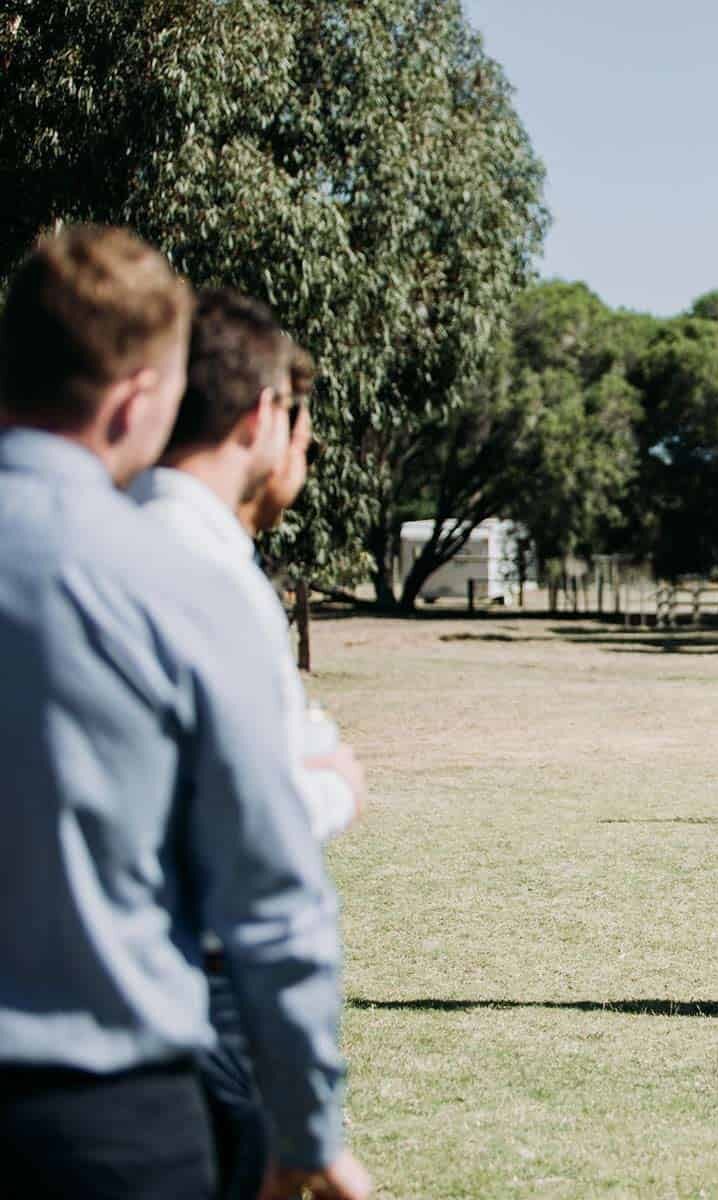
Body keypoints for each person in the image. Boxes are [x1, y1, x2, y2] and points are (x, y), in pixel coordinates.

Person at [0, 225, 369, 1198]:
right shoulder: (175, 582)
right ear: (136, 398)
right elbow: (267, 894)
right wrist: (308, 1126)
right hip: (102, 1113)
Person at [130, 293, 367, 1199]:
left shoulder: (122, 535)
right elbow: (248, 841)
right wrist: (332, 788)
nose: (303, 454)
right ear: (267, 415)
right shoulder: (203, 569)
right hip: (202, 995)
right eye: (303, 429)